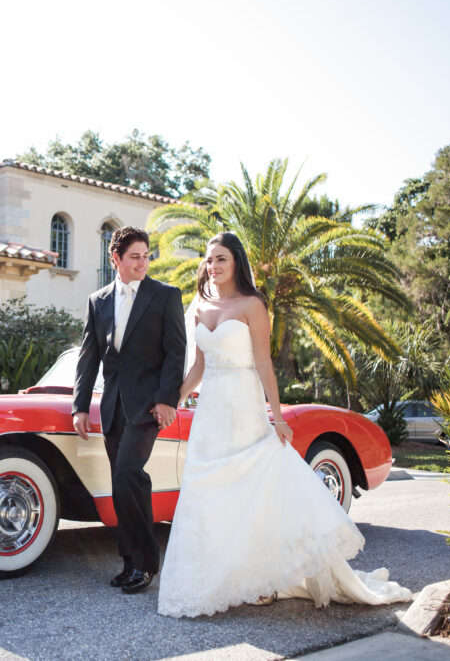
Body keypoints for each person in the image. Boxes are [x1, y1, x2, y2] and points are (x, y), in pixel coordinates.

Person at [157, 232, 411, 618]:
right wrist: (172, 400)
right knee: (210, 495)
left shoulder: (252, 305)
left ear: (237, 262)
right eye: (209, 260)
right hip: (211, 416)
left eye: (221, 258)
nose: (214, 266)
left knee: (254, 493)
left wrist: (276, 417)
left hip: (244, 408)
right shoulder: (200, 306)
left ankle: (265, 580)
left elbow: (263, 363)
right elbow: (198, 368)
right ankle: (220, 579)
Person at [73, 226, 186, 594]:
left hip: (149, 406)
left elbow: (175, 352)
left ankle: (148, 563)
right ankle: (129, 563)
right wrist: (80, 406)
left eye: (146, 255)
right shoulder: (98, 300)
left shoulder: (165, 296)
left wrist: (168, 399)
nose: (143, 262)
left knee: (127, 473)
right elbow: (88, 358)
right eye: (135, 256)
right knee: (121, 485)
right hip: (112, 406)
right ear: (116, 259)